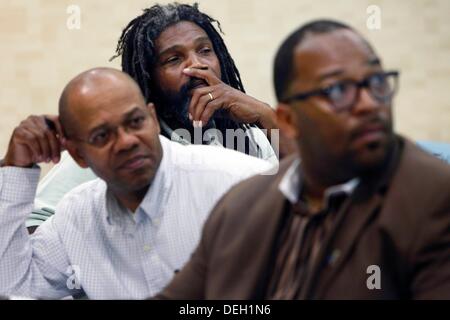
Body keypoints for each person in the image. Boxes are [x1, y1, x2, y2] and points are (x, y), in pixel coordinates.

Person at [154, 20, 450, 299]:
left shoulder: (432, 197)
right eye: (337, 90)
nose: (369, 104)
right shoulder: (241, 203)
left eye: (375, 81)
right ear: (289, 120)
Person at [0, 68, 272, 299]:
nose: (127, 141)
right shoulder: (75, 219)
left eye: (135, 122)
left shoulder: (234, 182)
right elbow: (13, 278)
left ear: (152, 119)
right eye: (102, 135)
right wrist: (15, 168)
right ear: (77, 154)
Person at [27, 2, 283, 230]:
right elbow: (34, 223)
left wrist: (266, 117)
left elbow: (303, 195)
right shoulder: (123, 146)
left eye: (205, 50)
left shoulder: (249, 136)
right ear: (150, 78)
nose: (197, 65)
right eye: (174, 59)